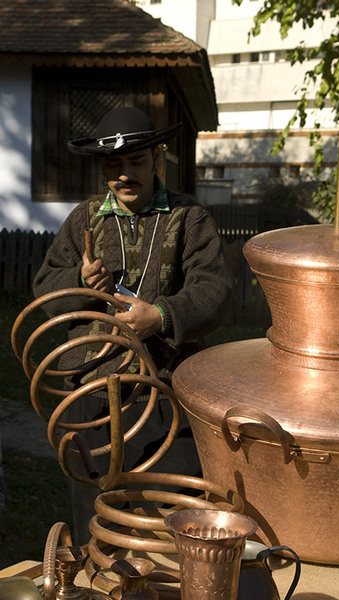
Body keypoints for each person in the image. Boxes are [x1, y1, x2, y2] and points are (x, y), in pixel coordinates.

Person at [33, 106, 232, 544]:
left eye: (136, 160)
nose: (125, 174)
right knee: (97, 520)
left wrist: (160, 315)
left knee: (171, 517)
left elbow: (215, 290)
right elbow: (45, 286)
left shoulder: (189, 218)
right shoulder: (85, 219)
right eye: (113, 164)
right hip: (90, 395)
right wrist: (81, 280)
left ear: (156, 157)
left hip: (165, 393)